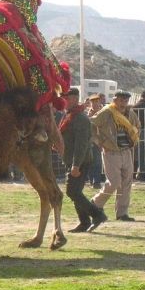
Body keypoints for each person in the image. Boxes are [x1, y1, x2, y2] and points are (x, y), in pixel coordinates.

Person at [58, 88, 107, 232]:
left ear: (73, 98)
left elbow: (81, 144)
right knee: (75, 191)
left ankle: (97, 215)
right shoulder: (71, 115)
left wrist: (76, 165)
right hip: (73, 160)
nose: (63, 101)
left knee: (72, 192)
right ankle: (84, 222)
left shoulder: (80, 118)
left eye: (65, 98)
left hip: (80, 161)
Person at [90, 90, 140, 223]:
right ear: (115, 100)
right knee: (114, 182)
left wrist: (134, 137)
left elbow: (137, 125)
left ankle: (122, 213)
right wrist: (99, 142)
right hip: (111, 151)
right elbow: (92, 124)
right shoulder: (107, 112)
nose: (123, 103)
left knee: (126, 182)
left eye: (126, 100)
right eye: (121, 100)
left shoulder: (130, 113)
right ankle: (96, 203)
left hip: (126, 151)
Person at [86, 94, 104, 189]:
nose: (95, 103)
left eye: (96, 101)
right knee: (91, 161)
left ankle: (97, 181)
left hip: (101, 139)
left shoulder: (103, 111)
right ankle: (93, 180)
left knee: (98, 161)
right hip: (92, 140)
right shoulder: (88, 113)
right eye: (93, 102)